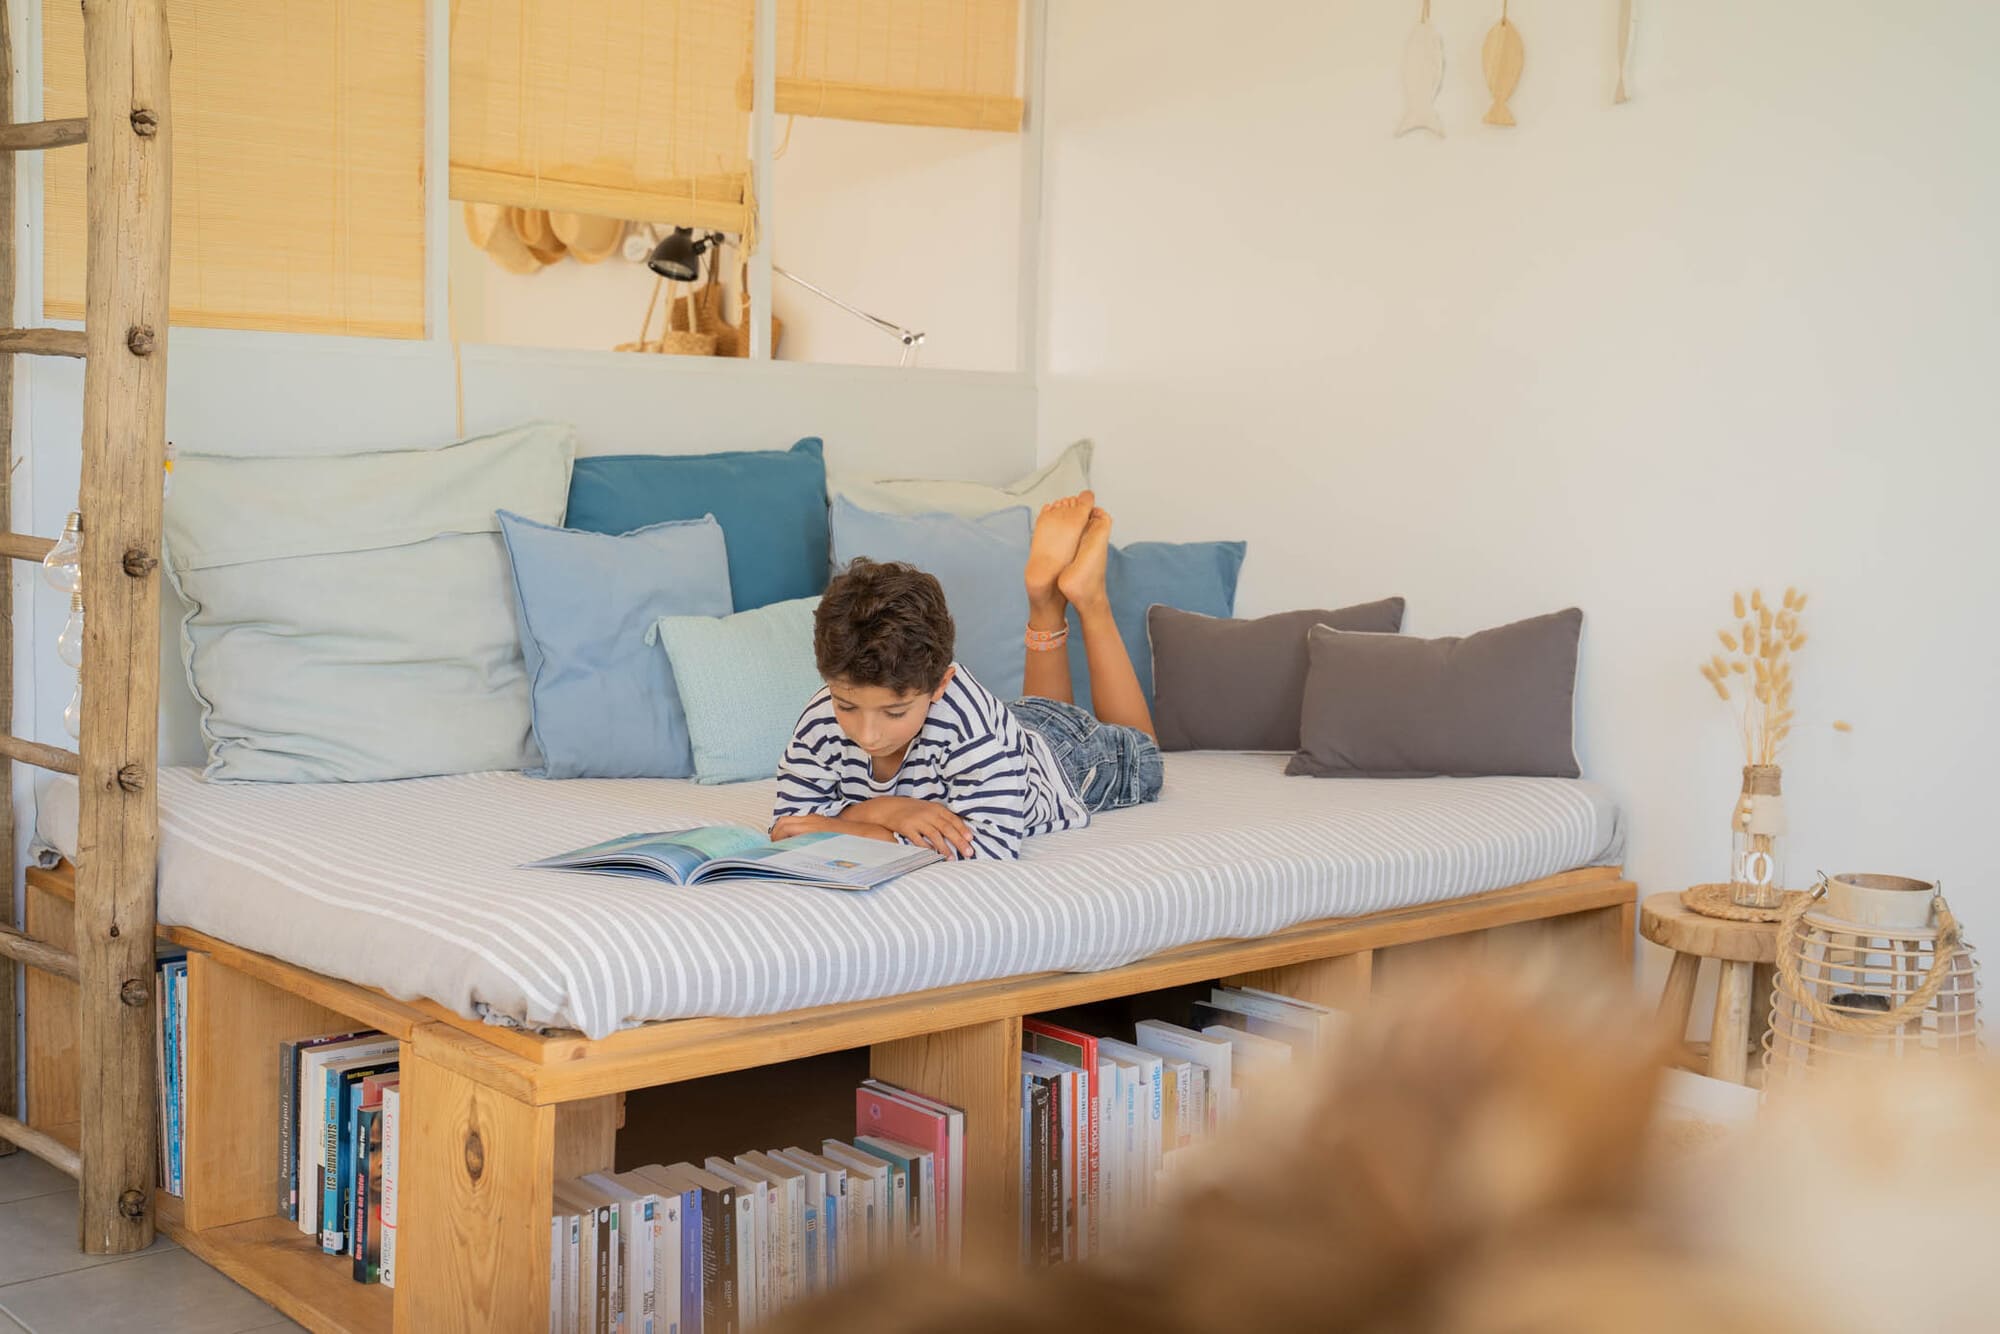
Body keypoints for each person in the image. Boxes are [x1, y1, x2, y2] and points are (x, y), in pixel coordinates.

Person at [770, 491, 1164, 860]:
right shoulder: (821, 718)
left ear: (940, 684)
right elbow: (788, 828)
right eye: (847, 706)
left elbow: (991, 846)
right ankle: (1044, 598)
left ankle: (1090, 596)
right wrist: (890, 810)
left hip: (1064, 760)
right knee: (1025, 719)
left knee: (1146, 754)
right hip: (1008, 730)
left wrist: (873, 830)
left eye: (894, 713)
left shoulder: (968, 725)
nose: (868, 734)